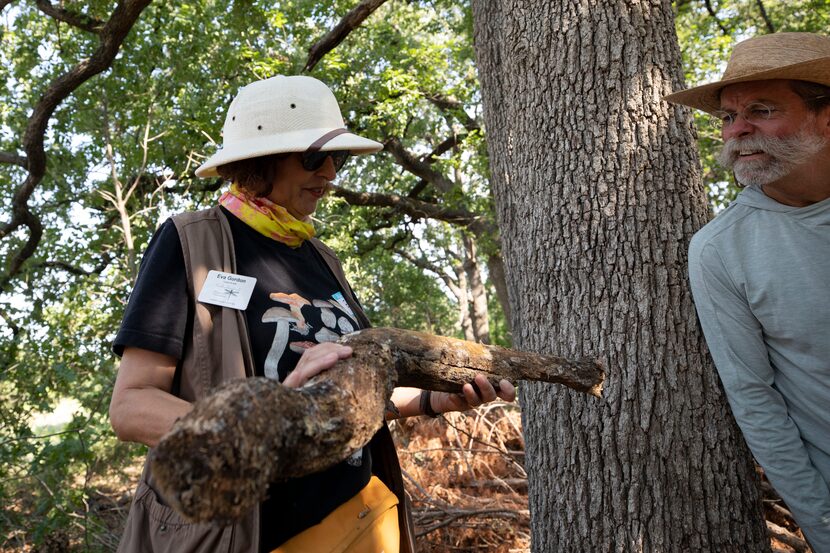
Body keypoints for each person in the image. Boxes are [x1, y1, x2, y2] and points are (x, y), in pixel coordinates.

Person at [109, 75, 515, 553]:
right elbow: (131, 406)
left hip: (359, 518)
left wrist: (433, 402)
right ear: (259, 161)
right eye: (312, 157)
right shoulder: (190, 242)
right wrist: (271, 416)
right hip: (253, 534)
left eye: (337, 157)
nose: (329, 172)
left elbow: (352, 391)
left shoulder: (320, 257)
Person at [665, 32, 830, 551]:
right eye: (728, 117)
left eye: (761, 109)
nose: (738, 131)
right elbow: (756, 403)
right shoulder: (721, 249)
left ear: (826, 117)